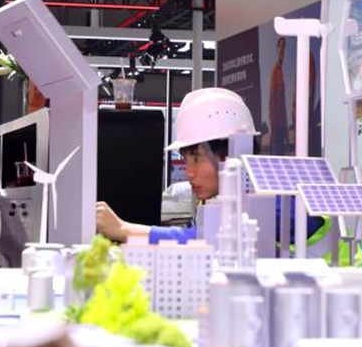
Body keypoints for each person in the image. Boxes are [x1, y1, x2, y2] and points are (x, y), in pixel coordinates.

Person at [96, 87, 255, 244]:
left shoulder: (262, 201)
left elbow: (198, 239)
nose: (189, 173)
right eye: (186, 160)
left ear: (230, 154)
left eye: (197, 158)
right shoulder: (220, 202)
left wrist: (122, 228)